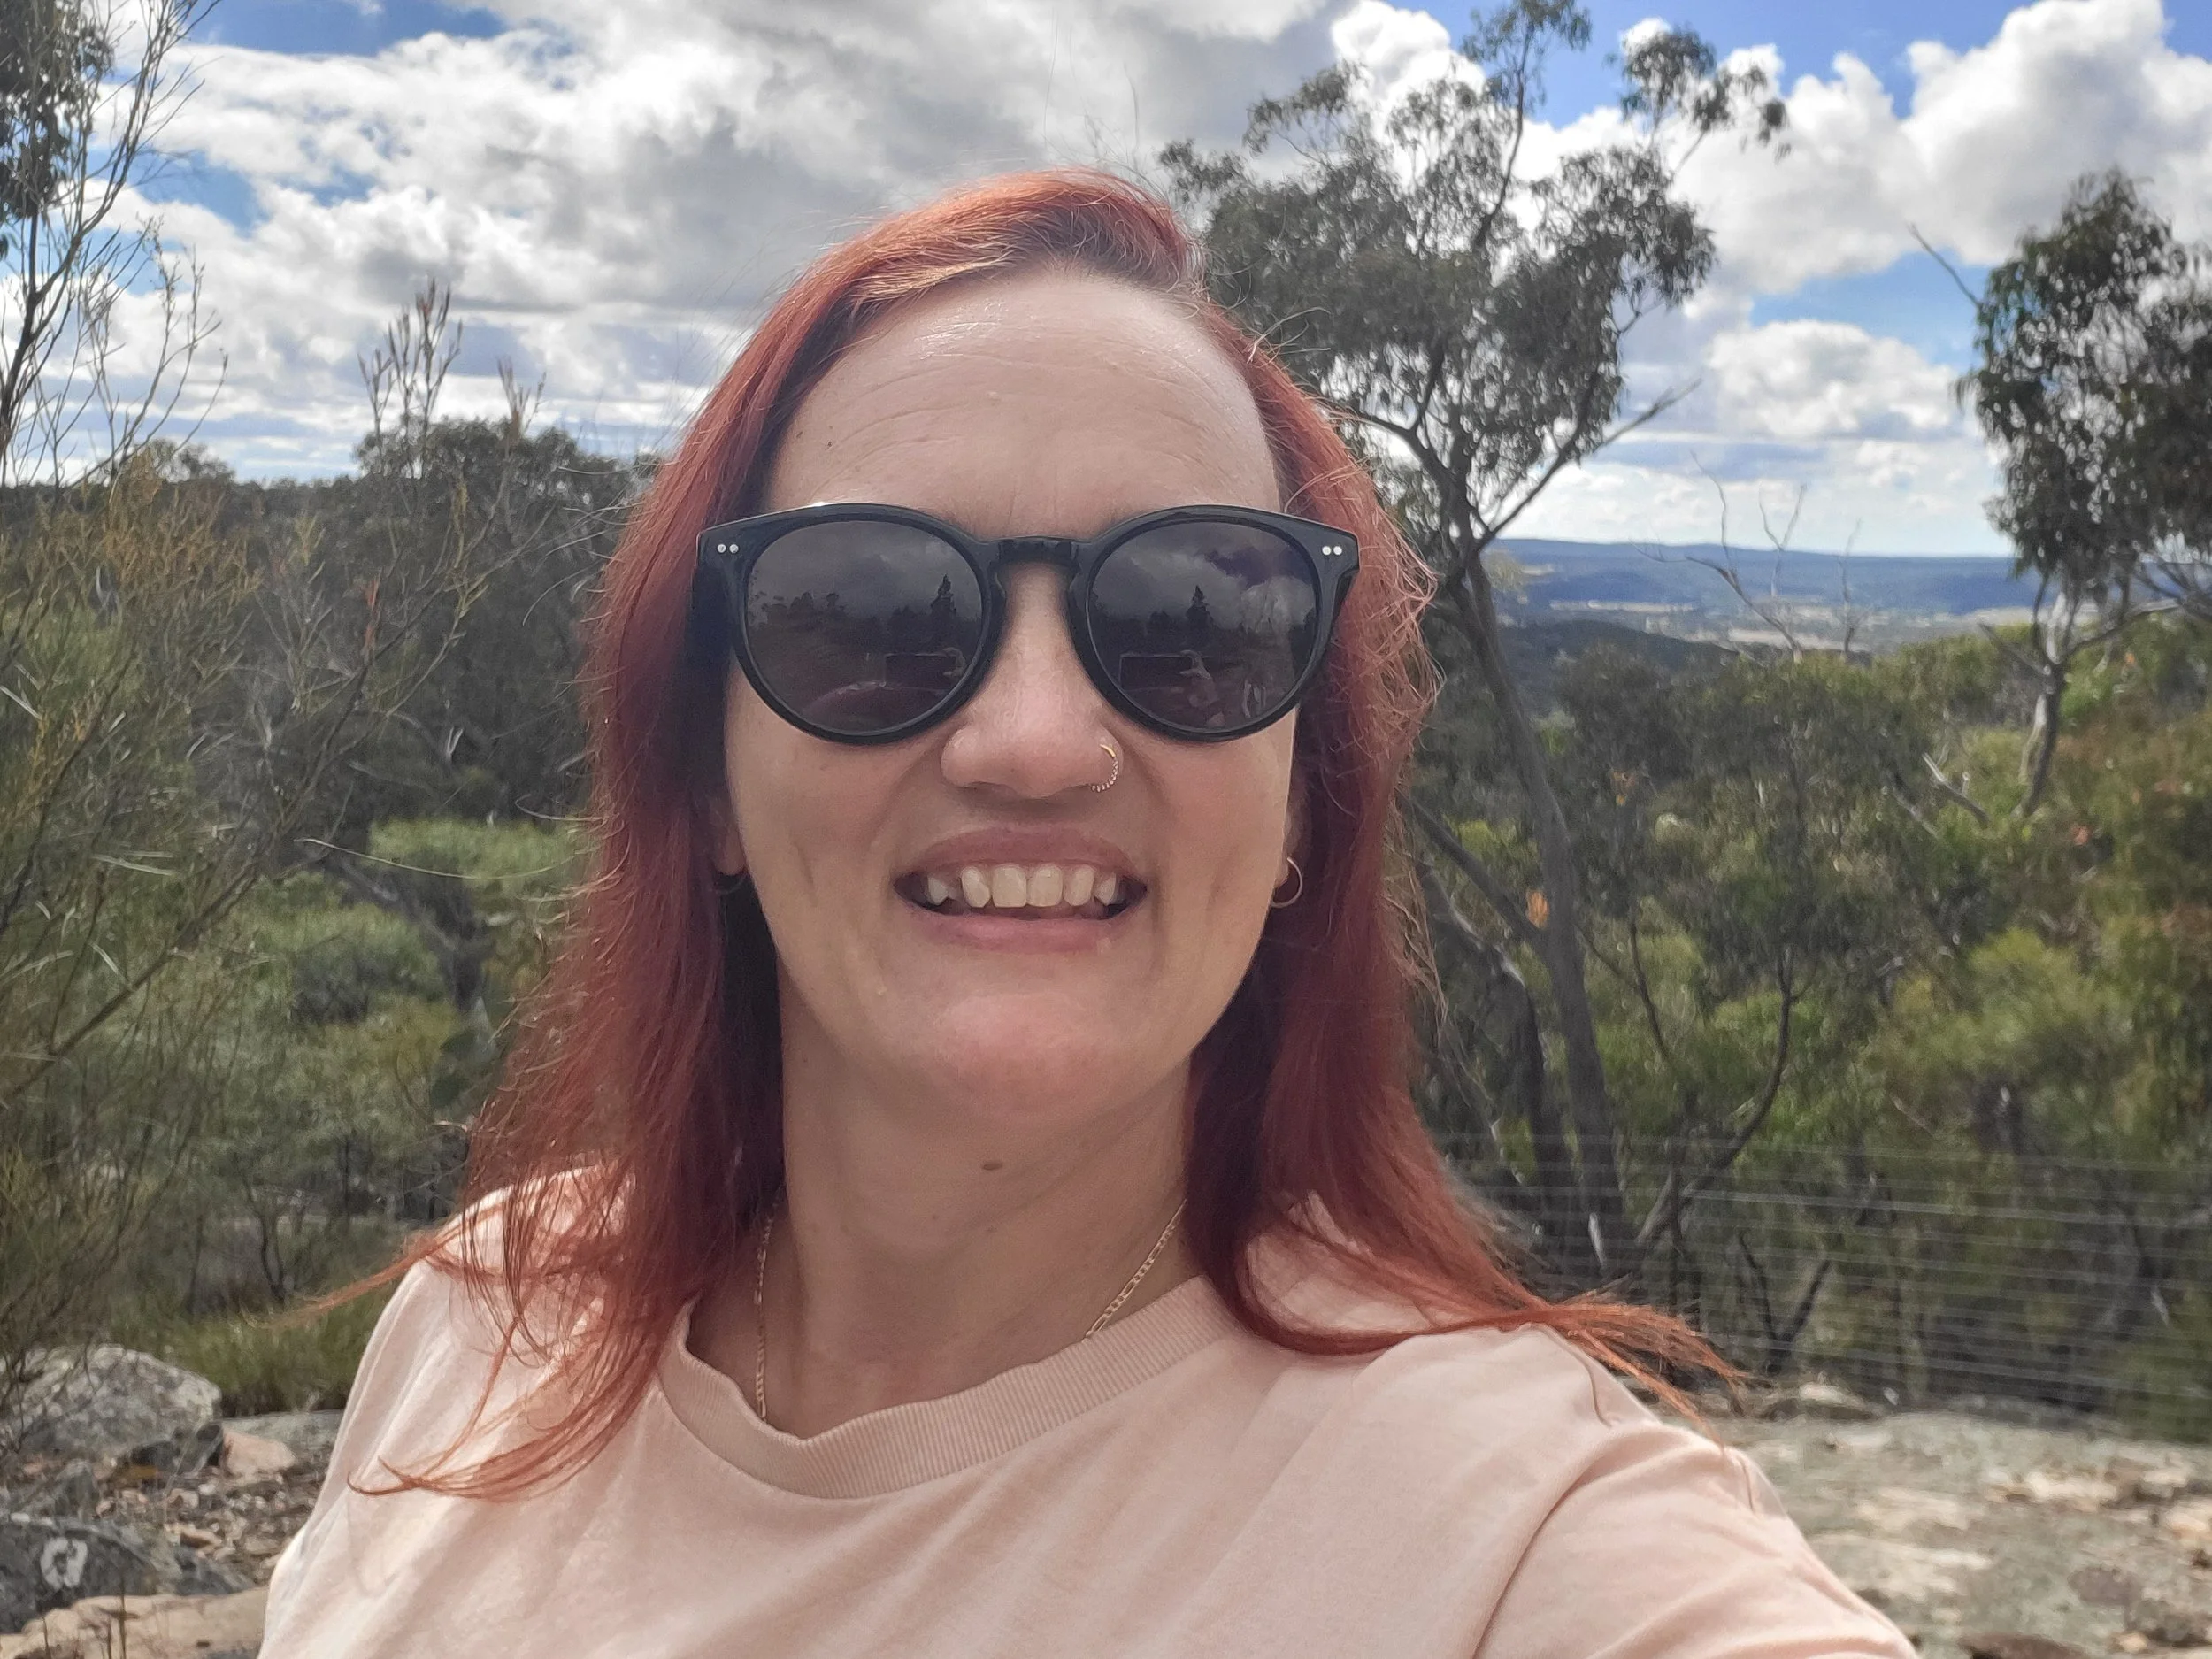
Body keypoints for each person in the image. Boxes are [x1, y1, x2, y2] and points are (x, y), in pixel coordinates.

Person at [259, 172, 1911, 1658]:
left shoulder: (1524, 1533)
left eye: (1197, 620)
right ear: (705, 780)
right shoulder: (485, 1319)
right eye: (871, 612)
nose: (1039, 741)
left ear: (1297, 804)